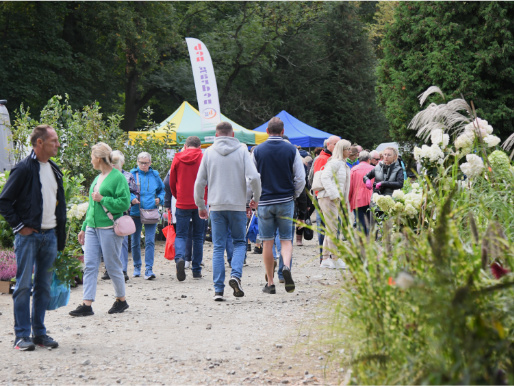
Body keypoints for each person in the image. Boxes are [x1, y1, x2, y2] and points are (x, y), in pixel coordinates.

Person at [0, 125, 65, 350]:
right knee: (23, 287)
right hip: (29, 237)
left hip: (50, 236)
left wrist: (59, 235)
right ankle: (21, 336)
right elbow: (4, 201)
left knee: (43, 287)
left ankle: (39, 334)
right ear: (39, 143)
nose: (57, 144)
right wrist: (20, 226)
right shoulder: (24, 168)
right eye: (54, 140)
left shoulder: (54, 169)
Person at [194, 121, 261, 301]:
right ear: (232, 135)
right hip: (238, 205)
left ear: (216, 136)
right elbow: (254, 177)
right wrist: (256, 197)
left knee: (218, 247)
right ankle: (236, 275)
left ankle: (218, 290)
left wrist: (201, 205)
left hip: (216, 206)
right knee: (239, 242)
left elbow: (200, 182)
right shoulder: (242, 150)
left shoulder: (208, 153)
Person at [69, 143, 131, 317]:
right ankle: (86, 304)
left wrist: (104, 199)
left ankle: (121, 300)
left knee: (112, 266)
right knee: (89, 265)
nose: (90, 161)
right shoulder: (97, 178)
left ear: (98, 158)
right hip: (92, 228)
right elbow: (91, 206)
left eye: (91, 157)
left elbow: (124, 203)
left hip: (110, 228)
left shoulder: (117, 177)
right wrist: (83, 227)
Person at [253, 117, 305, 294]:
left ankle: (270, 282)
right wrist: (294, 194)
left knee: (267, 242)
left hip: (265, 201)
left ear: (267, 131)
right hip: (285, 200)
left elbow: (252, 178)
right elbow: (300, 178)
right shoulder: (292, 150)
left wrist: (253, 198)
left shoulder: (257, 150)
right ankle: (287, 267)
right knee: (286, 240)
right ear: (283, 132)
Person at [169, 136, 206, 281]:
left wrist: (177, 195)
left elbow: (171, 181)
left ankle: (179, 258)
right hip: (200, 202)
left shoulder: (177, 158)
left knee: (181, 234)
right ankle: (196, 270)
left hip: (182, 200)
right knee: (198, 236)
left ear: (185, 145)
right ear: (200, 145)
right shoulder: (203, 157)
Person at [102, 150, 137, 282]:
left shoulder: (128, 176)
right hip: (106, 213)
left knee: (122, 242)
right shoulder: (104, 176)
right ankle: (108, 269)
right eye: (112, 163)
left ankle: (122, 270)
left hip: (123, 213)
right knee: (107, 241)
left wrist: (132, 200)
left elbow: (134, 192)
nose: (114, 165)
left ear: (122, 163)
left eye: (116, 163)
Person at [129, 152, 165, 279]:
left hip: (150, 212)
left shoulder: (155, 175)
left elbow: (162, 190)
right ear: (137, 162)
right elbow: (126, 190)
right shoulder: (132, 175)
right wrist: (132, 198)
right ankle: (137, 266)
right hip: (135, 212)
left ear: (150, 163)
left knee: (150, 241)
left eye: (146, 163)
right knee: (135, 241)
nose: (143, 165)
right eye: (141, 163)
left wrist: (159, 199)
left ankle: (149, 269)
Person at [317, 139, 351, 269]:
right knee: (333, 228)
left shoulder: (341, 163)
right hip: (328, 198)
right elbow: (325, 177)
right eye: (347, 149)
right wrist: (334, 195)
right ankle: (335, 258)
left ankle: (325, 258)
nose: (349, 151)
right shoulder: (336, 163)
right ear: (342, 150)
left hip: (332, 198)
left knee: (331, 228)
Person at [311, 135, 340, 262]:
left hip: (332, 198)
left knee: (331, 227)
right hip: (323, 198)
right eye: (336, 144)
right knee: (324, 227)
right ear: (328, 145)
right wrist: (318, 201)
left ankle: (330, 255)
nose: (338, 147)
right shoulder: (322, 159)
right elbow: (318, 181)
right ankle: (325, 256)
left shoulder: (334, 159)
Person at [348, 151, 375, 235]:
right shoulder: (374, 169)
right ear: (368, 159)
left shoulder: (353, 170)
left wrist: (348, 200)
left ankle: (363, 241)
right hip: (371, 198)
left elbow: (350, 187)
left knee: (360, 221)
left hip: (357, 199)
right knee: (371, 221)